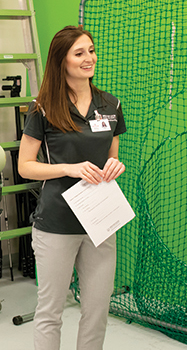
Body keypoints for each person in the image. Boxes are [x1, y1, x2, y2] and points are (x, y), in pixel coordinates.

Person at [18, 25, 126, 350]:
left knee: (97, 311)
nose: (89, 58)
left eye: (91, 51)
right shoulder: (43, 107)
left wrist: (115, 167)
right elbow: (25, 166)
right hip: (57, 224)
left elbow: (111, 158)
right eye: (80, 53)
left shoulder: (111, 104)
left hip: (101, 224)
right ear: (61, 61)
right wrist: (67, 168)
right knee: (51, 312)